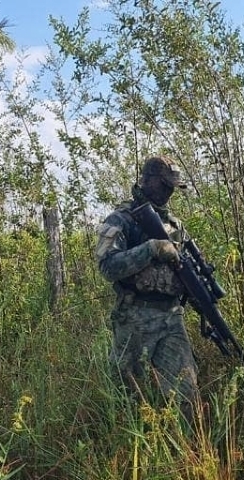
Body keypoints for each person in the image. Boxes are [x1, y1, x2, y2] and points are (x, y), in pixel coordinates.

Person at [95, 155, 201, 422]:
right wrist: (150, 249)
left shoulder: (174, 224)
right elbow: (108, 266)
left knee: (186, 394)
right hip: (135, 319)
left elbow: (187, 269)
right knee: (129, 401)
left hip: (172, 317)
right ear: (147, 180)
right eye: (164, 184)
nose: (168, 192)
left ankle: (186, 455)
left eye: (172, 187)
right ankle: (128, 458)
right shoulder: (123, 219)